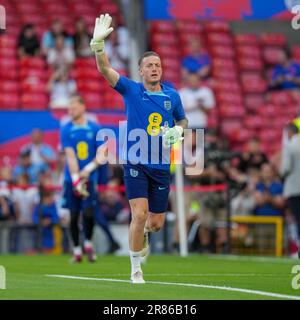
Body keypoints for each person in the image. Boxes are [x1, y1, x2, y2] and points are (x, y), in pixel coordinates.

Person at [90, 14, 188, 283]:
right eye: (149, 65)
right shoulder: (131, 90)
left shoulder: (172, 96)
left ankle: (143, 234)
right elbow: (104, 70)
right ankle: (135, 269)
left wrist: (179, 129)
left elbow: (182, 118)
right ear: (141, 70)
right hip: (135, 161)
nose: (155, 68)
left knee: (155, 223)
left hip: (161, 165)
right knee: (139, 213)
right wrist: (99, 46)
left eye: (158, 64)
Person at [60, 94, 107, 263]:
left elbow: (102, 154)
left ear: (83, 107)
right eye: (69, 108)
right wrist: (75, 179)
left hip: (89, 178)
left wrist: (87, 170)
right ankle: (77, 250)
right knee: (73, 215)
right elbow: (70, 156)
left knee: (88, 213)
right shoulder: (66, 129)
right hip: (71, 179)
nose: (70, 111)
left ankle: (88, 243)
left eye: (73, 107)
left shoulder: (94, 128)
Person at [280, 123, 300, 257]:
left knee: (298, 219)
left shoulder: (290, 146)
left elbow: (285, 169)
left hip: (294, 189)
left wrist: (280, 173)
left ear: (289, 133)